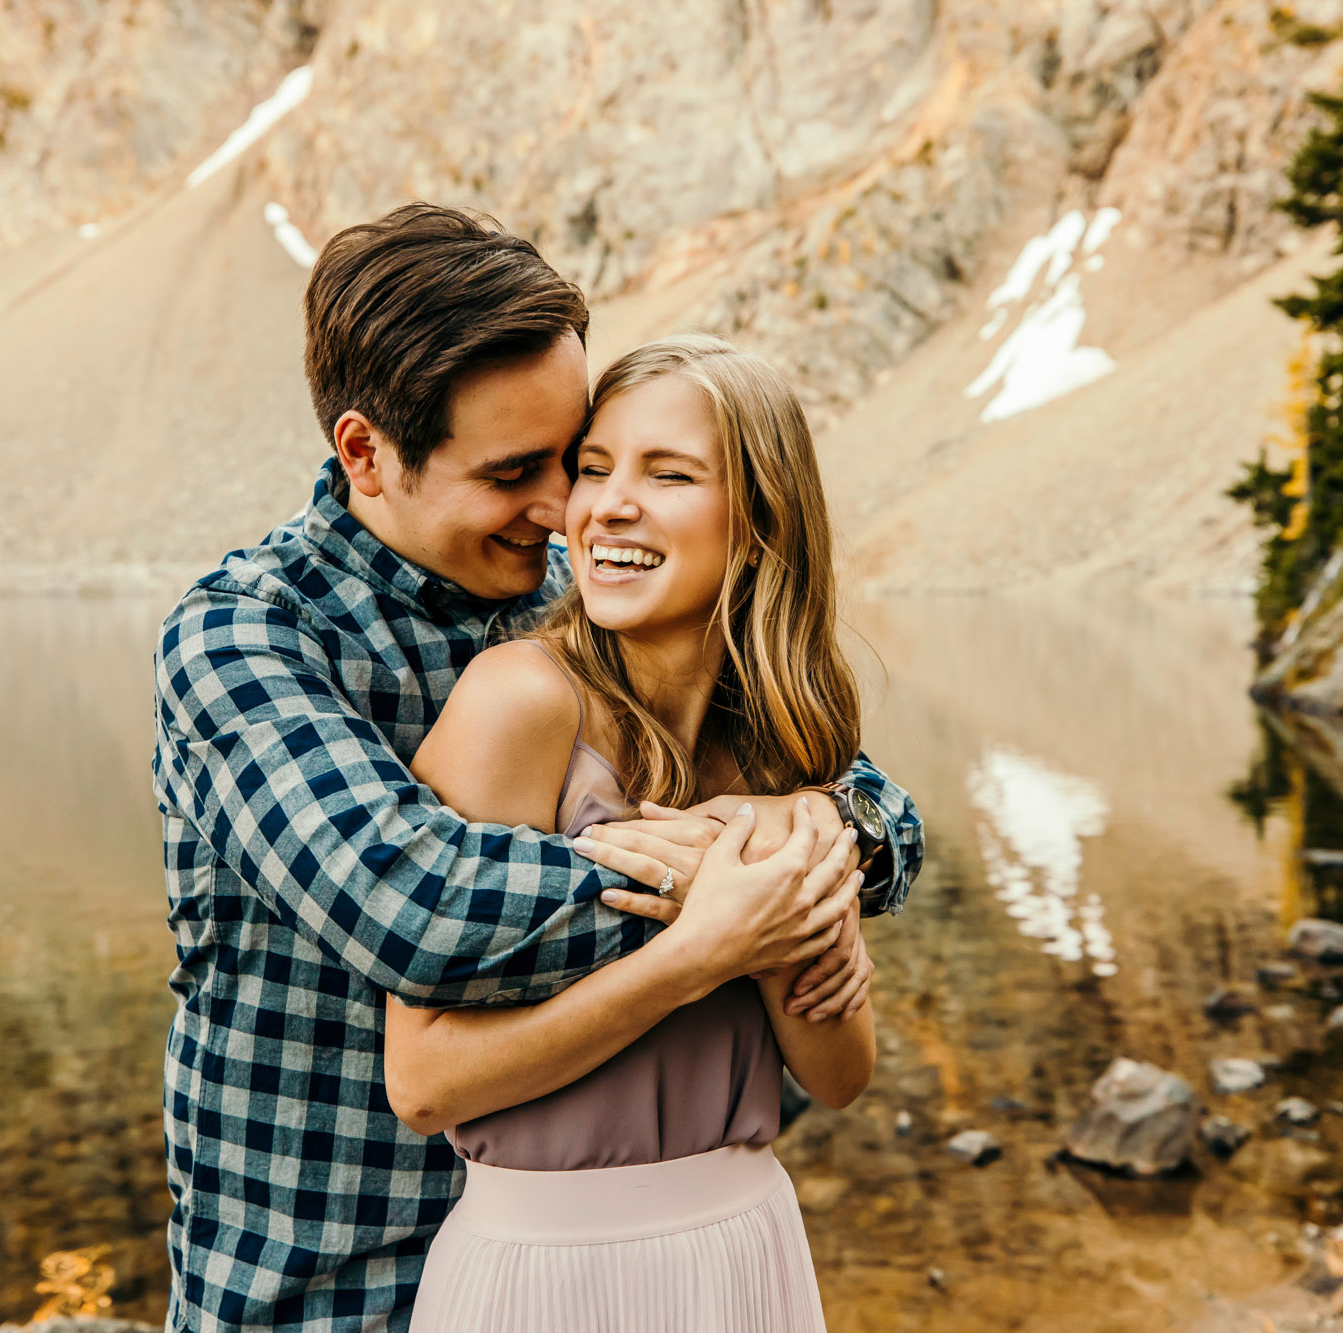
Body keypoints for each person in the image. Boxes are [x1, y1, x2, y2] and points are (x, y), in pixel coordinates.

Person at [150, 203, 924, 1333]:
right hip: (325, 1281)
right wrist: (731, 898)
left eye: (573, 458)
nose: (567, 507)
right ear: (365, 453)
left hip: (609, 1253)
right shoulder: (248, 641)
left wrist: (825, 832)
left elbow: (868, 809)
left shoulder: (582, 606)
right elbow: (420, 910)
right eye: (520, 471)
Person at [390, 334, 875, 1331]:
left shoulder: (785, 745)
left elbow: (838, 1076)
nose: (606, 506)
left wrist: (792, 894)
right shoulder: (520, 700)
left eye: (669, 473)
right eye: (595, 467)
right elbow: (423, 1081)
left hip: (748, 1243)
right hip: (543, 1270)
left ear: (756, 523)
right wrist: (701, 953)